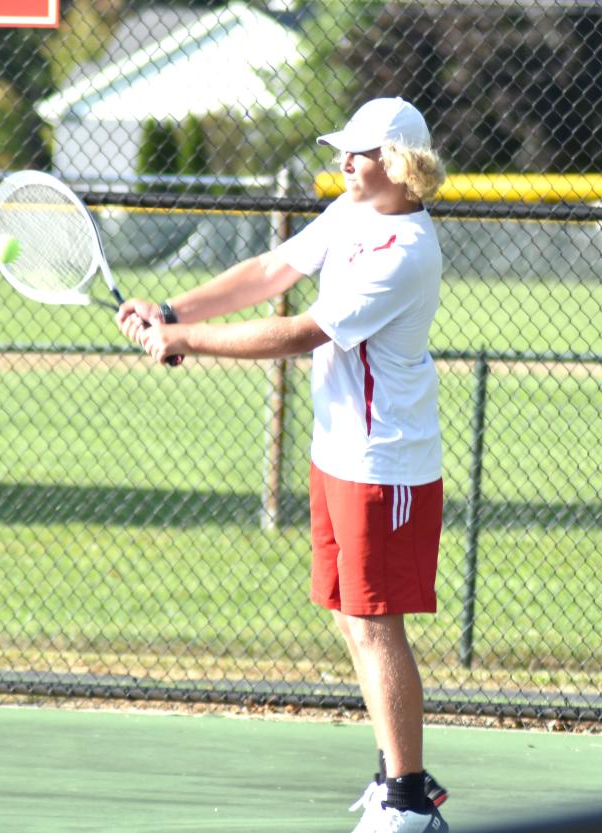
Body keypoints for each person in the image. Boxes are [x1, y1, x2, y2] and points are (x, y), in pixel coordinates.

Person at [117, 97, 449, 833]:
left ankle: (410, 801)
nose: (343, 161)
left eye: (357, 152)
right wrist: (174, 310)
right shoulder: (351, 212)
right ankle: (392, 773)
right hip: (336, 452)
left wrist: (189, 342)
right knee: (350, 617)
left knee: (375, 622)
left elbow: (302, 329)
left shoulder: (405, 251)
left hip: (383, 463)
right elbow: (271, 269)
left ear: (395, 165)